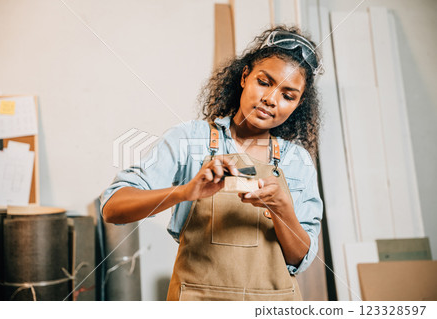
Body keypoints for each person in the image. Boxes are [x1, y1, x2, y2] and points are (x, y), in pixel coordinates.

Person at [101, 25, 323, 301]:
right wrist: (186, 192)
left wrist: (282, 210)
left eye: (288, 95)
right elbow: (113, 208)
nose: (270, 99)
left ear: (297, 104)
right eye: (264, 82)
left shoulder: (297, 162)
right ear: (244, 77)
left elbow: (298, 257)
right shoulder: (189, 140)